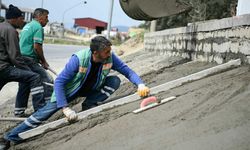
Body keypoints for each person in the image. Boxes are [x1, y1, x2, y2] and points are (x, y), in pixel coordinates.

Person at [3, 36, 150, 144]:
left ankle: (89, 104)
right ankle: (11, 136)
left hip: (91, 88)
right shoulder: (79, 59)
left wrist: (140, 84)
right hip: (69, 91)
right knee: (42, 114)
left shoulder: (109, 57)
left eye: (109, 50)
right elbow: (59, 82)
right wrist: (65, 108)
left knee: (115, 80)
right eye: (106, 51)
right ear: (95, 53)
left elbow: (127, 71)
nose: (109, 54)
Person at [0, 5, 45, 115]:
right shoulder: (10, 30)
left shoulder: (1, 26)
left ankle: (19, 111)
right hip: (4, 68)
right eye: (21, 18)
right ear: (14, 19)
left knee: (25, 78)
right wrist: (27, 70)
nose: (23, 21)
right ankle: (40, 111)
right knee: (34, 77)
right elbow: (15, 56)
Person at [15, 8, 53, 117]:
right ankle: (46, 107)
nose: (47, 20)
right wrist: (43, 61)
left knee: (25, 83)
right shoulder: (38, 27)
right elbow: (37, 47)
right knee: (47, 79)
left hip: (21, 59)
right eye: (46, 17)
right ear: (40, 17)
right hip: (29, 59)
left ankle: (19, 110)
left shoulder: (28, 26)